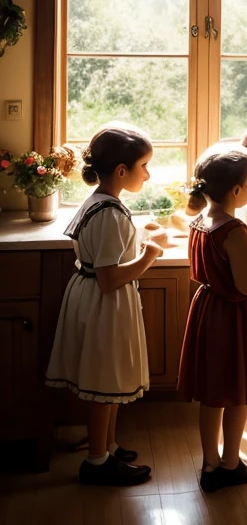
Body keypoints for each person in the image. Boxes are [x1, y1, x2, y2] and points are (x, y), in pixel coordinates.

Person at [45, 124, 162, 486]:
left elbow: (104, 253)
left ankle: (107, 446)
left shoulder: (100, 202)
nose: (148, 173)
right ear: (122, 171)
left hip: (91, 295)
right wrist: (149, 255)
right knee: (103, 382)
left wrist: (139, 236)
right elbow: (111, 276)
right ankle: (96, 461)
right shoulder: (111, 213)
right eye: (144, 165)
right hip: (104, 300)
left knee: (106, 378)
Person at [177, 144, 247, 493]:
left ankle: (210, 463)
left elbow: (221, 266)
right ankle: (231, 462)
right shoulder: (234, 230)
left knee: (212, 395)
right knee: (236, 392)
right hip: (235, 317)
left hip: (209, 311)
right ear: (237, 190)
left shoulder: (199, 222)